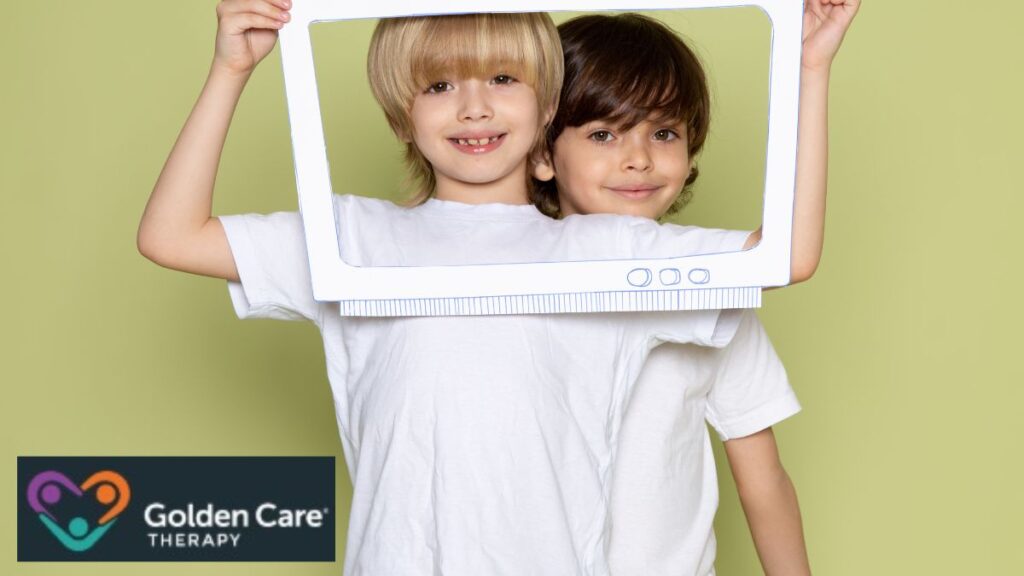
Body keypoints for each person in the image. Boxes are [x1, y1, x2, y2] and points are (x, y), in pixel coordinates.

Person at [137, 4, 823, 575]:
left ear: (546, 106)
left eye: (501, 78)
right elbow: (170, 235)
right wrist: (231, 69)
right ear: (401, 114)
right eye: (438, 86)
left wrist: (812, 68)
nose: (473, 107)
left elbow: (785, 256)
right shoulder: (352, 238)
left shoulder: (605, 247)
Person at [532, 5, 859, 575]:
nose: (638, 158)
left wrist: (809, 67)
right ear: (541, 153)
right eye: (604, 133)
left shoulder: (708, 281)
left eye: (663, 132)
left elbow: (764, 480)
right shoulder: (501, 268)